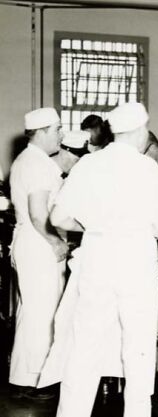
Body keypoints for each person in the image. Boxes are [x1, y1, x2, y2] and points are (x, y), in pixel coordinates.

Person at [50, 102, 158, 417]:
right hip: (134, 260)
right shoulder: (146, 167)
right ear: (141, 131)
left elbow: (59, 216)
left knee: (84, 341)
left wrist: (95, 225)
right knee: (136, 348)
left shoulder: (88, 164)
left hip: (96, 258)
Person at [8, 107, 68, 400]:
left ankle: (26, 377)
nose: (61, 135)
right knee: (40, 313)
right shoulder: (38, 164)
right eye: (57, 130)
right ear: (43, 131)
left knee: (32, 310)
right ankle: (30, 381)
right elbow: (37, 212)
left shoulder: (26, 160)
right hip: (38, 242)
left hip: (28, 242)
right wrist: (54, 241)